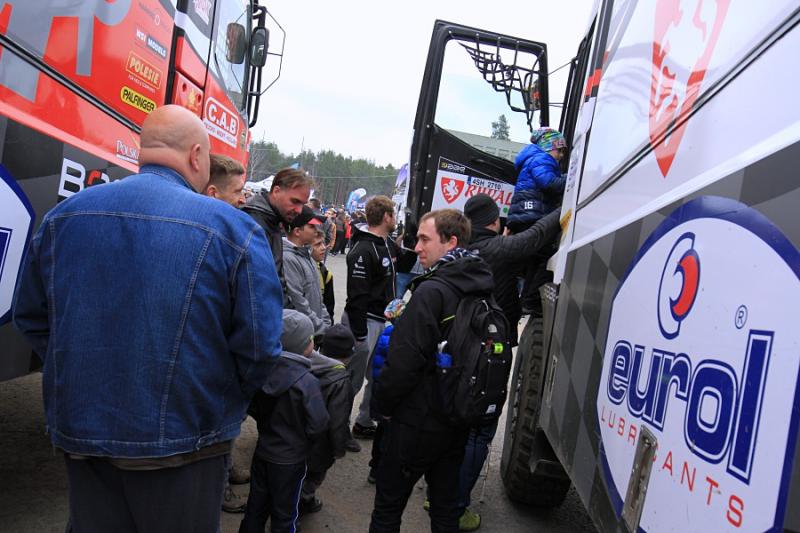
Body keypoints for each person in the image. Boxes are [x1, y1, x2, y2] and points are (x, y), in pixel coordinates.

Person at [12, 105, 284, 533]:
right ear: (197, 156)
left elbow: (31, 316)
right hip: (187, 443)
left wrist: (83, 371)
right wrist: (214, 398)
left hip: (86, 435)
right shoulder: (234, 230)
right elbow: (260, 347)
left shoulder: (65, 215)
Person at [370, 209, 494, 533]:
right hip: (456, 419)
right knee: (445, 510)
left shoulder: (432, 291)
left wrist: (382, 407)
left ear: (451, 242)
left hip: (416, 421)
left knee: (387, 508)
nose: (417, 247)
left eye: (425, 239)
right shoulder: (481, 287)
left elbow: (403, 363)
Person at [456, 193, 562, 530]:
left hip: (458, 348)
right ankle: (456, 506)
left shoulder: (461, 250)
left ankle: (439, 491)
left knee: (454, 422)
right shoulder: (495, 249)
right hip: (487, 353)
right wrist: (567, 207)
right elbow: (535, 237)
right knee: (479, 430)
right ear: (493, 221)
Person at [240, 310, 329, 533]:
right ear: (303, 346)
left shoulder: (263, 373)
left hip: (263, 452)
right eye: (311, 338)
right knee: (285, 514)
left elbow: (252, 407)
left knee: (255, 508)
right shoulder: (307, 382)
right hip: (291, 460)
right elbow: (319, 424)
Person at [203, 153, 256, 513]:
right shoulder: (229, 238)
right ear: (213, 192)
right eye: (237, 191)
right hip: (211, 366)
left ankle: (221, 476)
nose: (243, 199)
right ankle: (216, 489)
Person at [343, 195, 398, 444]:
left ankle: (364, 422)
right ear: (386, 216)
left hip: (379, 320)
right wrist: (359, 335)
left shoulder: (386, 243)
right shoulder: (364, 249)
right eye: (394, 214)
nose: (396, 219)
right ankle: (338, 429)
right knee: (351, 381)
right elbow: (357, 295)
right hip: (363, 321)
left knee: (377, 375)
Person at [506, 127, 567, 313]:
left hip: (524, 215)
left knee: (534, 260)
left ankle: (526, 302)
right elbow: (549, 183)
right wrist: (573, 177)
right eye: (559, 150)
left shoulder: (532, 158)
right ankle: (532, 300)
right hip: (532, 214)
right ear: (549, 146)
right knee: (546, 256)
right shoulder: (542, 158)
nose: (561, 156)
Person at [299, 324, 357, 514]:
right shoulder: (341, 382)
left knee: (294, 476)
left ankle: (296, 502)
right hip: (320, 447)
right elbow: (338, 421)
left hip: (294, 438)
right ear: (348, 356)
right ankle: (301, 504)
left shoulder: (304, 363)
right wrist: (339, 448)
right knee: (312, 478)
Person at [243, 167, 314, 288]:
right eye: (295, 201)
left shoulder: (271, 220)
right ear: (276, 191)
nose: (299, 210)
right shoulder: (254, 224)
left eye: (303, 204)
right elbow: (255, 286)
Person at [283, 205, 331, 336]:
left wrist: (326, 322)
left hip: (314, 330)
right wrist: (322, 328)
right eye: (311, 226)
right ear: (297, 231)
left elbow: (318, 297)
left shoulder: (306, 255)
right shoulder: (288, 258)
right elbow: (298, 302)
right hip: (303, 333)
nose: (316, 230)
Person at [310, 226, 336, 321]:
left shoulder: (325, 273)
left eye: (323, 243)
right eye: (318, 244)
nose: (323, 248)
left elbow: (329, 307)